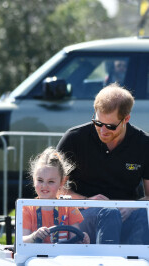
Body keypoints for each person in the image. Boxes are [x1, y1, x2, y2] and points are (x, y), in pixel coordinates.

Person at [57, 83, 149, 244]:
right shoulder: (74, 139)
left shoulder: (144, 144)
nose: (103, 130)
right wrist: (87, 200)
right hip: (82, 214)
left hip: (127, 215)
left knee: (142, 216)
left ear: (126, 119)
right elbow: (55, 189)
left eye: (110, 126)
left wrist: (133, 206)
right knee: (109, 214)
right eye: (98, 123)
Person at [22, 147, 90, 244]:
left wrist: (82, 239)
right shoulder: (27, 209)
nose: (44, 186)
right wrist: (34, 236)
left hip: (62, 257)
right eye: (40, 180)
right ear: (33, 180)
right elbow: (21, 240)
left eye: (51, 181)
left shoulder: (69, 207)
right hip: (36, 257)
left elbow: (75, 239)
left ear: (62, 182)